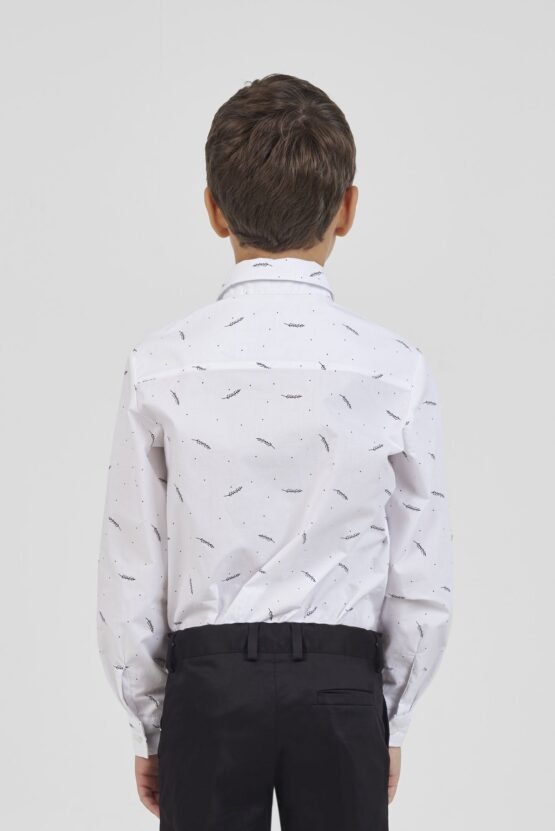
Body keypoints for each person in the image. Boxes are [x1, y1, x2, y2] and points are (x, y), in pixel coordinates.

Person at [96, 72, 454, 830]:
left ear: (213, 209)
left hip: (209, 685)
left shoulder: (161, 364)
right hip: (342, 684)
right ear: (347, 209)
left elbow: (133, 567)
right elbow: (419, 574)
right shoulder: (394, 369)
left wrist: (149, 721)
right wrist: (391, 712)